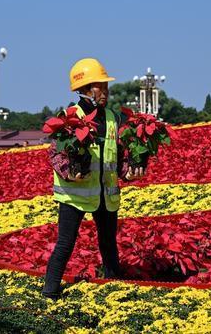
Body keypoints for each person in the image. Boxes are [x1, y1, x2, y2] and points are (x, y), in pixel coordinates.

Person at [41, 58, 145, 300]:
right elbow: (55, 154)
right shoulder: (69, 117)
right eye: (100, 86)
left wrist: (128, 172)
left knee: (108, 244)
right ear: (85, 89)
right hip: (74, 195)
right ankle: (50, 293)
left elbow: (118, 156)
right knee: (65, 243)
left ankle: (114, 289)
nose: (106, 91)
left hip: (105, 195)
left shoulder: (112, 118)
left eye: (106, 86)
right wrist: (70, 172)